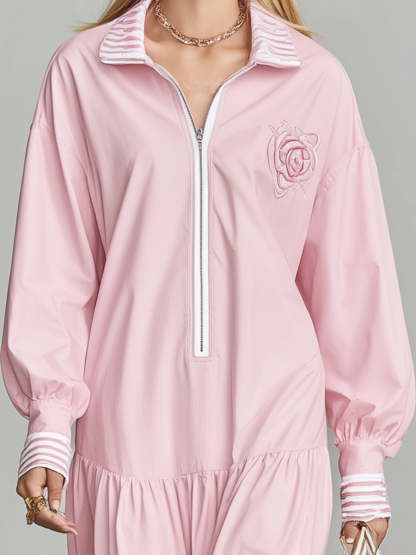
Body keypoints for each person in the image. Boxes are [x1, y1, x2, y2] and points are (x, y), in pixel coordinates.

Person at [1, 0, 415, 553]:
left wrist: (362, 460)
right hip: (128, 437)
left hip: (275, 436)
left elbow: (352, 276)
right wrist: (49, 424)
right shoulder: (83, 71)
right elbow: (54, 262)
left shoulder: (315, 79)